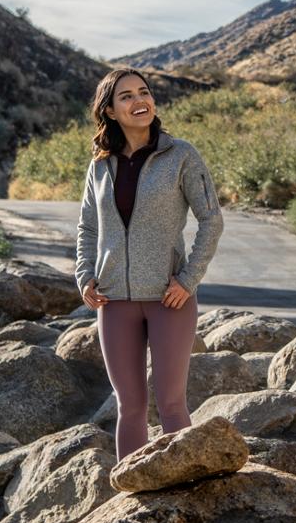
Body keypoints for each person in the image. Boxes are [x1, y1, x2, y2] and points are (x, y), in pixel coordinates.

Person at [75, 68, 224, 458]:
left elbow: (211, 218)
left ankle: (187, 492)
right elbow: (88, 227)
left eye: (144, 92)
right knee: (130, 407)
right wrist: (85, 275)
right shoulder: (100, 166)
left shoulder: (181, 155)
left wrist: (188, 279)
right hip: (113, 301)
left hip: (168, 298)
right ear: (109, 110)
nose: (139, 101)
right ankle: (131, 501)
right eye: (126, 96)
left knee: (172, 406)